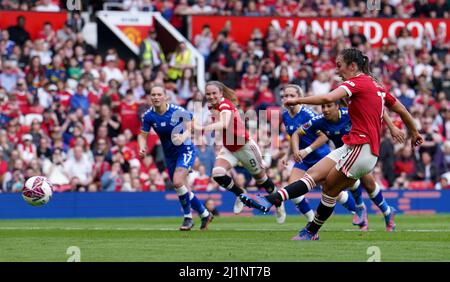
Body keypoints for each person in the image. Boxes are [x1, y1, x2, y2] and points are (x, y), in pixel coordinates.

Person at [240, 48, 423, 240]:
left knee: (329, 188)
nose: (337, 71)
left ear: (352, 66)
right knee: (314, 175)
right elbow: (400, 109)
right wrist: (414, 131)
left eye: (339, 66)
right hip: (352, 146)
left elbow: (328, 98)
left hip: (363, 148)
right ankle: (273, 202)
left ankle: (311, 228)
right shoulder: (375, 86)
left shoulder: (356, 83)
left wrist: (297, 100)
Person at [295, 100, 405, 231]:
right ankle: (371, 211)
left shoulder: (350, 113)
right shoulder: (320, 119)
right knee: (350, 180)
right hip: (341, 154)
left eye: (329, 105)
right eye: (323, 106)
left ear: (338, 106)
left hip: (360, 150)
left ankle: (378, 211)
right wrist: (301, 151)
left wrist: (392, 127)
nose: (325, 109)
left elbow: (379, 108)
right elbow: (300, 132)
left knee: (367, 183)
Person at [193, 81, 286, 223]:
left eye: (214, 93)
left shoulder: (225, 105)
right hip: (229, 148)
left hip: (245, 147)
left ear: (221, 94)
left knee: (261, 179)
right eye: (208, 94)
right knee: (217, 174)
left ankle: (279, 203)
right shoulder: (211, 106)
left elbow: (223, 123)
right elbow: (223, 127)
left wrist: (201, 128)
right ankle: (241, 193)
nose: (211, 96)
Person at [279, 84, 358, 224]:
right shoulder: (285, 116)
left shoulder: (308, 114)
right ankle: (311, 219)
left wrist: (306, 150)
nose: (288, 98)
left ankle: (357, 213)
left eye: (292, 96)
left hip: (319, 156)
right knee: (293, 189)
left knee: (334, 192)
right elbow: (293, 136)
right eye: (285, 96)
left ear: (299, 98)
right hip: (302, 159)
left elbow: (324, 136)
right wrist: (289, 154)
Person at [138, 84, 213, 231]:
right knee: (183, 187)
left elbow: (192, 124)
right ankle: (205, 214)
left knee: (178, 182)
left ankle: (188, 218)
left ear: (166, 97)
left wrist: (183, 136)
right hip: (169, 155)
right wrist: (142, 147)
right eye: (153, 95)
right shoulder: (148, 116)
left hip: (185, 150)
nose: (156, 97)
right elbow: (143, 135)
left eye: (159, 94)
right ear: (150, 98)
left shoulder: (176, 111)